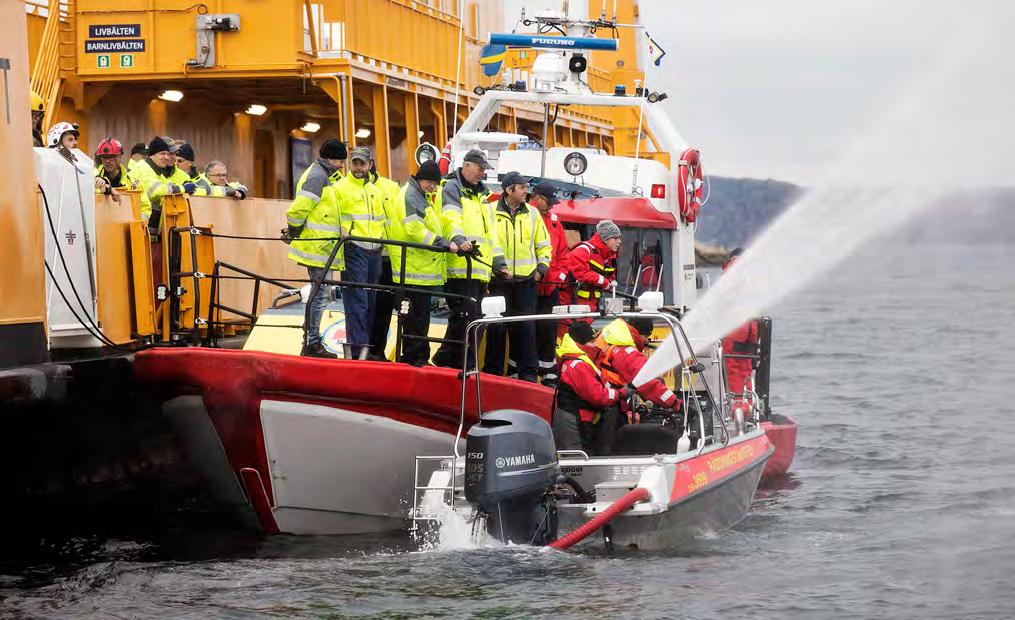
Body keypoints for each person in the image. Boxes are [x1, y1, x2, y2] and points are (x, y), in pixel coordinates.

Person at [431, 149, 507, 368]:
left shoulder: (481, 196)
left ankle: (450, 361)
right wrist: (458, 238)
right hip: (460, 266)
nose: (482, 174)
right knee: (465, 317)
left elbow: (491, 234)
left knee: (472, 317)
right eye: (480, 169)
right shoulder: (453, 188)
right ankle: (461, 364)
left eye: (484, 170)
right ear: (467, 166)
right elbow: (450, 217)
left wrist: (498, 263)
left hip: (478, 269)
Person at [384, 161, 457, 365]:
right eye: (430, 182)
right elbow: (414, 230)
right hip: (413, 269)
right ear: (420, 179)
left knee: (419, 316)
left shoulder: (418, 195)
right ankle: (414, 358)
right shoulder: (411, 196)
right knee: (416, 317)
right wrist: (441, 243)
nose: (433, 187)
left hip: (418, 268)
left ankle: (417, 356)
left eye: (435, 184)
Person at [482, 171, 551, 382]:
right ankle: (492, 374)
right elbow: (487, 241)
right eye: (521, 187)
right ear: (509, 190)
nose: (526, 191)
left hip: (526, 282)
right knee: (497, 329)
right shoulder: (489, 211)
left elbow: (544, 244)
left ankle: (528, 375)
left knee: (526, 330)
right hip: (498, 281)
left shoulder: (532, 213)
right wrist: (498, 265)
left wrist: (542, 268)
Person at [285, 138, 348, 358]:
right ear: (330, 158)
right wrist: (293, 232)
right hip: (317, 249)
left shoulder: (322, 175)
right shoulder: (318, 177)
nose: (341, 165)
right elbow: (298, 210)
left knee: (320, 295)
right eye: (340, 160)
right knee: (320, 296)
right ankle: (311, 343)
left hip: (322, 248)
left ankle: (311, 342)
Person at [334, 146, 386, 359]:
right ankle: (357, 352)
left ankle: (365, 350)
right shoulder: (340, 188)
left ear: (370, 164)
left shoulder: (375, 191)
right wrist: (349, 239)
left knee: (371, 302)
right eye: (355, 163)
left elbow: (381, 221)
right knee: (358, 302)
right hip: (354, 249)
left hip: (375, 250)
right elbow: (335, 221)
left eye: (361, 163)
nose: (357, 167)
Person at [552, 322, 628, 454]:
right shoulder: (578, 366)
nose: (595, 345)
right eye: (592, 342)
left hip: (573, 417)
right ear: (581, 343)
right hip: (574, 420)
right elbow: (598, 396)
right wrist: (621, 393)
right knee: (577, 462)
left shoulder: (575, 360)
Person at [590, 318, 681, 418]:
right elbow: (648, 384)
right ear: (637, 332)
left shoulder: (611, 338)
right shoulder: (626, 353)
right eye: (646, 336)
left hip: (604, 401)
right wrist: (676, 404)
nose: (647, 341)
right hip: (612, 407)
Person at [531, 181, 570, 386]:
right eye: (549, 202)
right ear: (537, 198)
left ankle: (548, 372)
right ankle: (523, 370)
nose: (552, 207)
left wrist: (560, 277)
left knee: (549, 329)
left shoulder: (555, 222)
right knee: (527, 329)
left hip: (551, 287)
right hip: (530, 286)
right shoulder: (527, 216)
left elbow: (563, 253)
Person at [557, 219, 621, 339]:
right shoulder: (583, 251)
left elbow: (610, 279)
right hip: (570, 309)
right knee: (568, 344)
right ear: (605, 239)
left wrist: (610, 283)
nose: (619, 242)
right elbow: (581, 273)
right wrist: (603, 282)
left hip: (588, 311)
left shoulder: (608, 257)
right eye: (616, 238)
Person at [367, 160, 404, 361]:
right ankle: (363, 350)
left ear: (371, 164)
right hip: (365, 256)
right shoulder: (351, 188)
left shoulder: (391, 187)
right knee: (365, 306)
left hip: (389, 258)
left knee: (384, 307)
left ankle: (377, 351)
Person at [720, 248, 759, 412]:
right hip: (752, 324)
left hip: (735, 323)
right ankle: (749, 403)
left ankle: (737, 407)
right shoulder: (753, 271)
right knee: (746, 365)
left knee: (733, 364)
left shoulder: (733, 270)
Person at [131, 136, 191, 233]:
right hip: (138, 226)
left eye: (168, 154)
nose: (167, 157)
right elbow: (155, 191)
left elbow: (164, 195)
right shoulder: (143, 168)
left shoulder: (158, 172)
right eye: (163, 154)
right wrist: (183, 188)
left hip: (148, 227)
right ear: (152, 155)